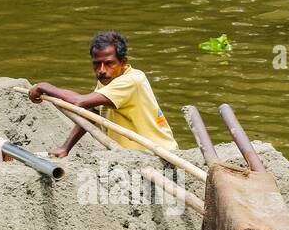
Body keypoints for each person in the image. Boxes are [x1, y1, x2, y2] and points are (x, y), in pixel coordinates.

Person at [28, 30, 177, 158]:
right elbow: (91, 113)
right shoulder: (108, 79)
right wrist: (65, 148)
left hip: (156, 154)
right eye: (97, 63)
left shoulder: (131, 81)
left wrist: (45, 87)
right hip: (127, 155)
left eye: (109, 63)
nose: (102, 70)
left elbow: (78, 101)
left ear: (123, 61)